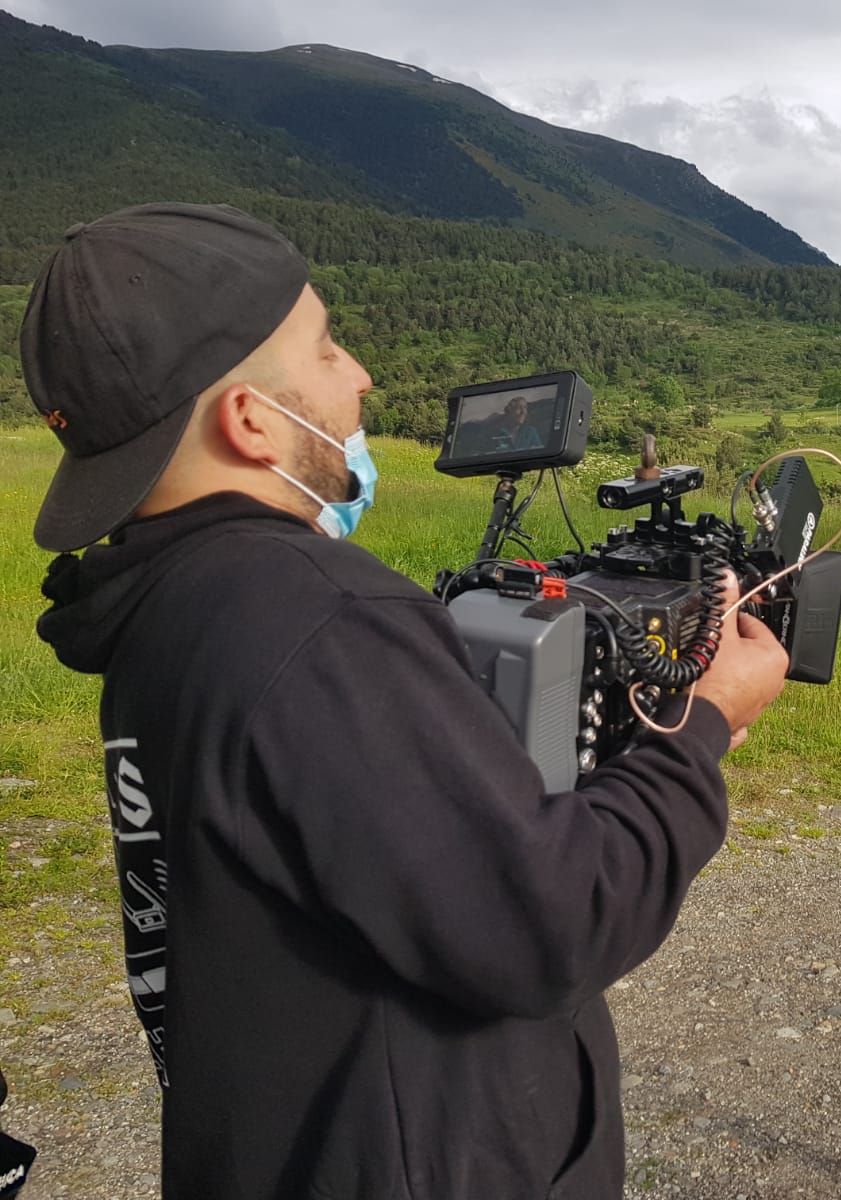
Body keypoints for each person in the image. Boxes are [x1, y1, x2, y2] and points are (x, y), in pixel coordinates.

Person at [23, 203, 790, 1199]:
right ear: (249, 418)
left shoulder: (158, 608)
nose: (360, 376)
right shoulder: (316, 618)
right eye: (327, 345)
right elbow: (548, 922)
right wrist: (702, 726)